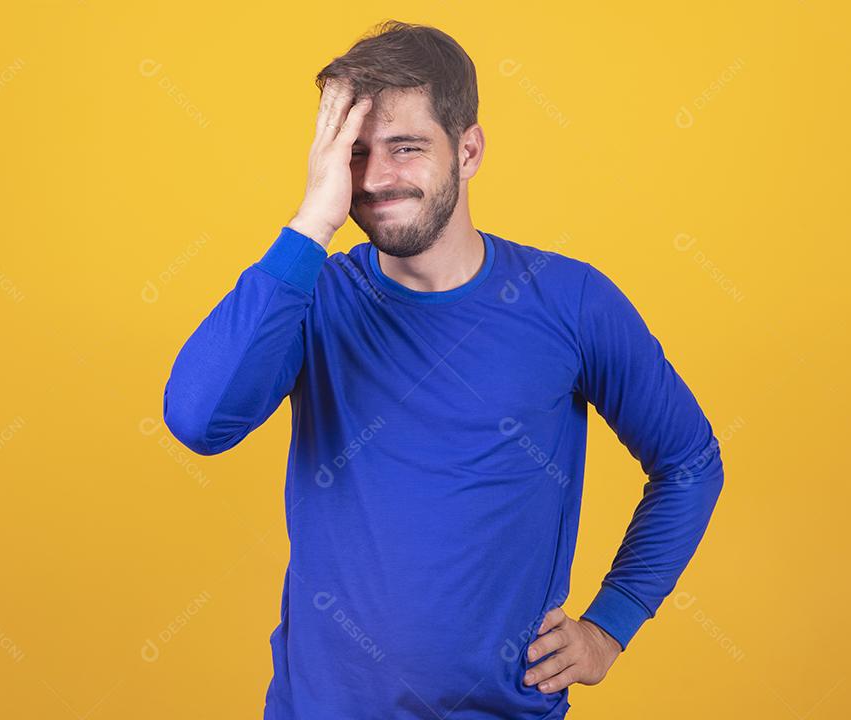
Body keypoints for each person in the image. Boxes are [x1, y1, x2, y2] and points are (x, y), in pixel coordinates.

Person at [163, 19, 724, 720]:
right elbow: (197, 419)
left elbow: (689, 461)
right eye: (355, 155)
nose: (376, 178)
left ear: (469, 149)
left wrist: (611, 625)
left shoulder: (571, 302)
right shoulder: (312, 296)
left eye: (406, 148)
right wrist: (312, 219)